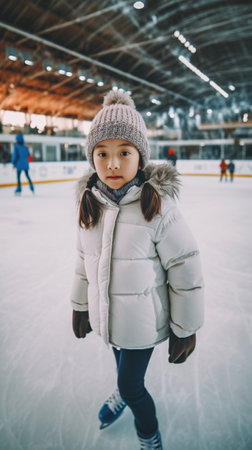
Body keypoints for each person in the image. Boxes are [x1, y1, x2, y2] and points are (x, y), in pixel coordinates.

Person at [70, 90, 204, 450]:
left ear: (140, 157)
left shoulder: (155, 206)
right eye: (103, 154)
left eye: (124, 153)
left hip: (142, 321)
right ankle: (122, 388)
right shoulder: (91, 206)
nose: (112, 164)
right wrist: (80, 304)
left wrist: (185, 328)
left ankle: (148, 434)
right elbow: (84, 261)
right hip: (110, 319)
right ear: (92, 158)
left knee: (132, 385)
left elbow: (185, 268)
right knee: (123, 371)